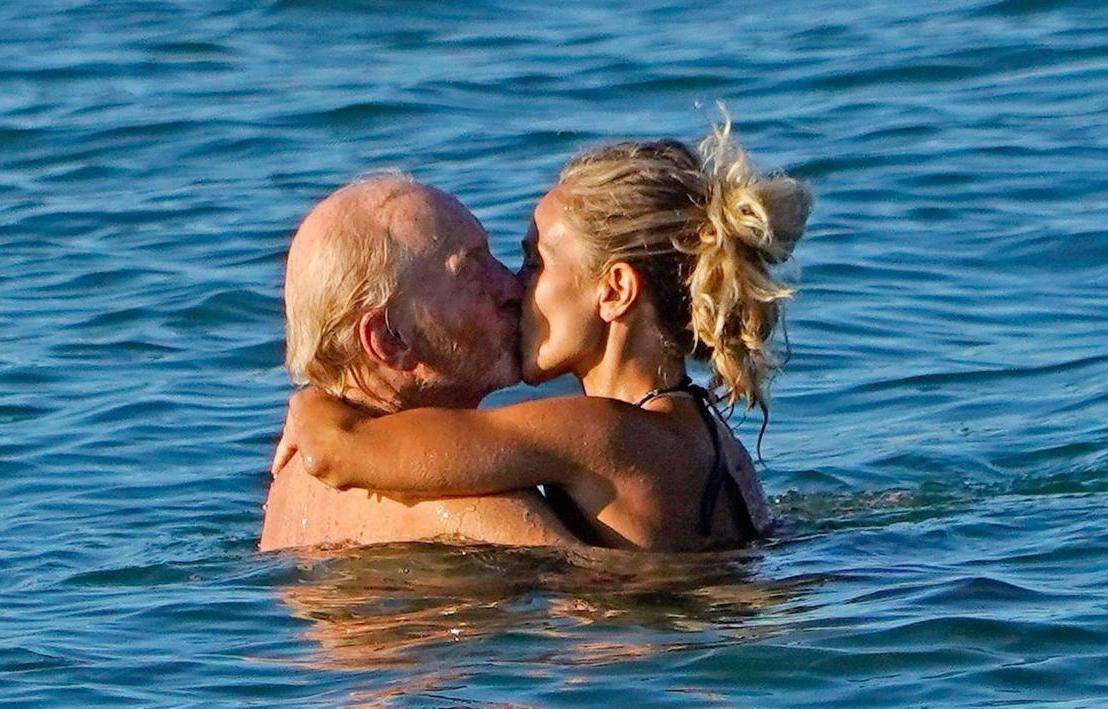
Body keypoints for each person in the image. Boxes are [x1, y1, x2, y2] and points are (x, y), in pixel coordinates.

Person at [274, 119, 812, 551]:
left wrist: (312, 407)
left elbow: (341, 451)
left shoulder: (595, 431)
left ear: (615, 291)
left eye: (536, 263)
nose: (515, 284)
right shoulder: (700, 432)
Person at [260, 176, 581, 551]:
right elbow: (620, 595)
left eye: (493, 258)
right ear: (388, 340)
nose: (513, 289)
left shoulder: (290, 484)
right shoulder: (472, 505)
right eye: (473, 274)